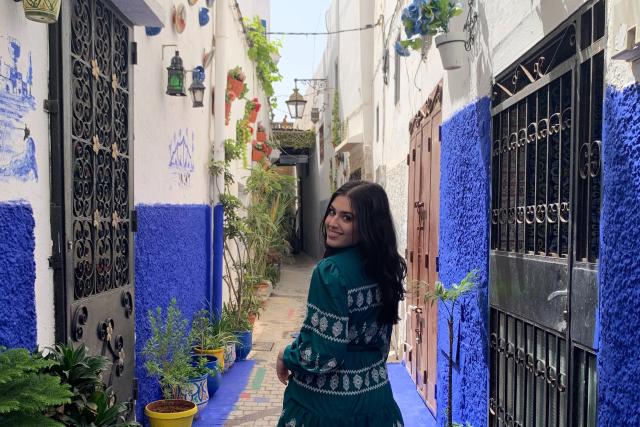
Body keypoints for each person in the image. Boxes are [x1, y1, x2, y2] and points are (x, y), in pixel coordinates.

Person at [276, 180, 407, 427]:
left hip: (326, 407)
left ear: (367, 225)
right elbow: (380, 342)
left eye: (347, 218)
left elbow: (322, 356)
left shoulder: (330, 272)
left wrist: (286, 354)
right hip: (376, 399)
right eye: (332, 212)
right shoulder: (384, 268)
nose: (332, 223)